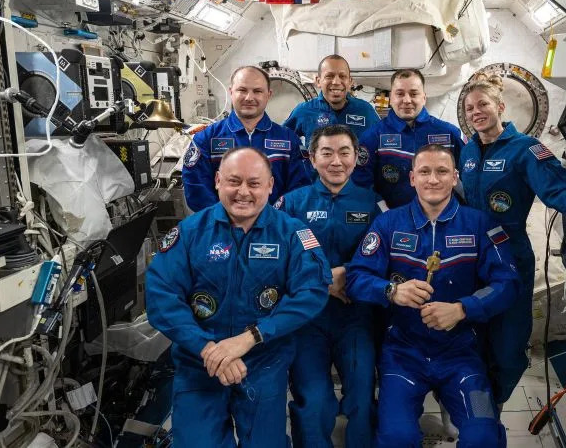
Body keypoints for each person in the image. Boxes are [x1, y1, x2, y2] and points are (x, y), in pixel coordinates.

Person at [146, 147, 331, 448]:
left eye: (254, 183)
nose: (243, 192)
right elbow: (161, 295)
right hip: (200, 363)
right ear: (218, 181)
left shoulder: (292, 234)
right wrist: (208, 349)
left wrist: (250, 338)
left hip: (263, 361)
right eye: (234, 181)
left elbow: (311, 291)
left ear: (270, 186)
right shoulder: (190, 233)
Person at [458, 73, 566, 407]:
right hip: (471, 259)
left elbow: (556, 188)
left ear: (500, 106)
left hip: (510, 256)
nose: (476, 112)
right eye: (470, 108)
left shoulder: (526, 149)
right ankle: (475, 410)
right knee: (473, 339)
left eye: (483, 104)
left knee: (509, 345)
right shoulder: (468, 152)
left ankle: (495, 403)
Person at [346, 144, 519, 448]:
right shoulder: (388, 224)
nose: (433, 179)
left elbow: (508, 283)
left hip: (462, 355)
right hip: (403, 354)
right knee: (396, 437)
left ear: (455, 177)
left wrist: (463, 309)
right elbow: (356, 278)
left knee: (484, 435)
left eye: (442, 171)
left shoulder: (480, 224)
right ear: (412, 178)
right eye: (424, 172)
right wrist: (392, 291)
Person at [275, 125, 386, 448]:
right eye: (326, 153)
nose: (336, 161)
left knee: (362, 395)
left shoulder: (374, 204)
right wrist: (323, 282)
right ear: (312, 158)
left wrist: (347, 273)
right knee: (313, 400)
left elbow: (388, 256)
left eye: (344, 152)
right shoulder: (290, 205)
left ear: (356, 158)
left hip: (356, 318)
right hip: (306, 319)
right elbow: (274, 260)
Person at [182, 65, 310, 212]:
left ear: (268, 94)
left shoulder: (288, 140)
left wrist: (274, 219)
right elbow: (196, 186)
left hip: (275, 224)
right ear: (231, 92)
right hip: (221, 224)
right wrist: (224, 218)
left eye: (257, 91)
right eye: (242, 90)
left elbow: (300, 188)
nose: (249, 98)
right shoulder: (206, 139)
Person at [353, 69, 466, 208]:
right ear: (391, 98)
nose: (407, 100)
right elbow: (361, 182)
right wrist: (383, 211)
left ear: (424, 97)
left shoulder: (450, 134)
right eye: (400, 94)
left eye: (413, 94)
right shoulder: (373, 136)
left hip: (442, 217)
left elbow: (469, 177)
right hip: (392, 217)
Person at [284, 55, 380, 143]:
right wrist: (299, 155)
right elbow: (282, 140)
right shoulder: (304, 111)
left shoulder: (366, 110)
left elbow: (381, 143)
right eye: (329, 76)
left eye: (342, 76)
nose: (336, 82)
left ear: (350, 82)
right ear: (318, 81)